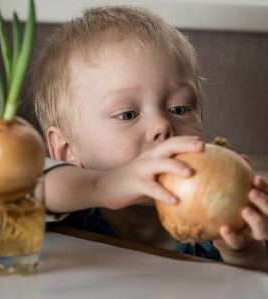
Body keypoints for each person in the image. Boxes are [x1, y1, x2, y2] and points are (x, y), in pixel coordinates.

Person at [32, 6, 268, 271]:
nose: (162, 125)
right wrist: (104, 186)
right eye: (127, 114)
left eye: (179, 109)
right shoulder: (69, 211)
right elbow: (12, 186)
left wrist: (245, 252)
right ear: (66, 151)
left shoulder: (217, 229)